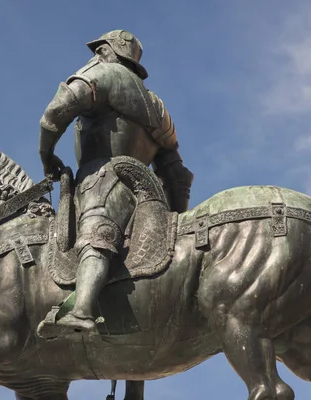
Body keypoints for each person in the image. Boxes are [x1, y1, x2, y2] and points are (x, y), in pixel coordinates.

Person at [39, 30, 194, 334]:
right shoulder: (159, 108)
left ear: (109, 52)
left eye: (99, 50)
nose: (94, 56)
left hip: (104, 176)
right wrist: (176, 222)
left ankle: (81, 310)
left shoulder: (102, 74)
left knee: (96, 233)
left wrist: (47, 155)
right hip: (148, 193)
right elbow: (175, 173)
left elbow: (55, 112)